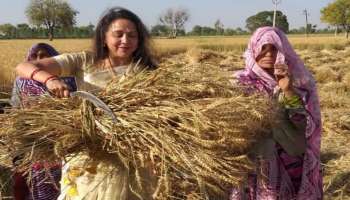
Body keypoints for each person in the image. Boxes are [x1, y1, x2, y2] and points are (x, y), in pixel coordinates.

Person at [15, 7, 156, 200]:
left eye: (132, 35)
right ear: (104, 37)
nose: (125, 40)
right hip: (88, 152)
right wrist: (49, 79)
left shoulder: (148, 71)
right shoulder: (84, 60)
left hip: (130, 157)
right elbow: (23, 66)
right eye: (118, 34)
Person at [230, 27, 322, 200]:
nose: (269, 54)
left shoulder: (300, 83)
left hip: (289, 161)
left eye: (274, 48)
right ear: (254, 49)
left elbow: (305, 124)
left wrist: (288, 90)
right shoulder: (239, 83)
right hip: (254, 163)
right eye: (264, 48)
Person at [11, 43, 71, 200]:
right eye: (34, 56)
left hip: (61, 143)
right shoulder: (20, 82)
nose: (38, 59)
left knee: (63, 186)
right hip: (33, 143)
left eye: (43, 56)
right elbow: (16, 110)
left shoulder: (64, 82)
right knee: (32, 185)